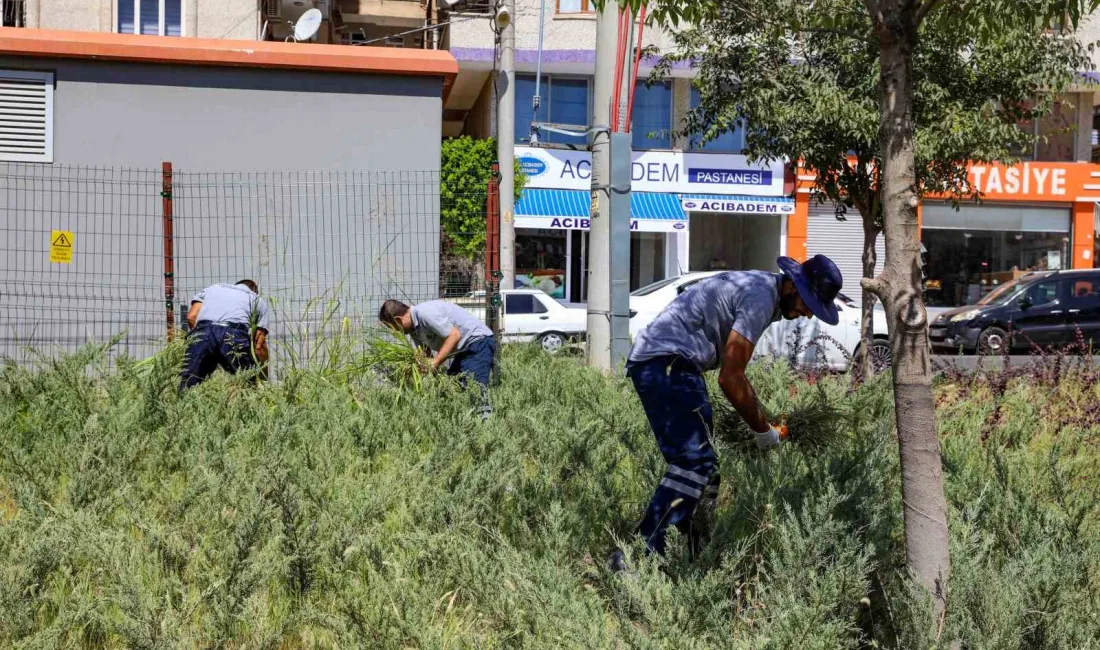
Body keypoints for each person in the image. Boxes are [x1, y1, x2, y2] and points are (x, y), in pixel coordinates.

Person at [611, 254, 843, 568]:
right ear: (792, 284)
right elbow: (731, 377)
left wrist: (760, 421)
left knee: (707, 472)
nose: (805, 313)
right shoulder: (761, 296)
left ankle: (690, 555)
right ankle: (636, 558)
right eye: (806, 303)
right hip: (666, 364)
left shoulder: (761, 290)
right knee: (695, 463)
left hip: (670, 364)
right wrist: (763, 433)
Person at [378, 298, 496, 420]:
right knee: (452, 388)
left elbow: (454, 335)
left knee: (474, 389)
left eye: (391, 327)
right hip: (463, 350)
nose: (394, 332)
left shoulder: (424, 313)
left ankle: (485, 424)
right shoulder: (413, 329)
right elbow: (426, 353)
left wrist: (435, 362)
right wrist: (421, 370)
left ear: (398, 320)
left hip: (478, 342)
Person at [179, 279, 271, 391]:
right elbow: (259, 345)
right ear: (254, 291)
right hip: (234, 334)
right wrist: (263, 377)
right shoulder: (257, 300)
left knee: (189, 383)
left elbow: (191, 317)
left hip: (203, 332)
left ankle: (183, 404)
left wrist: (203, 338)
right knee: (246, 386)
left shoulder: (213, 288)